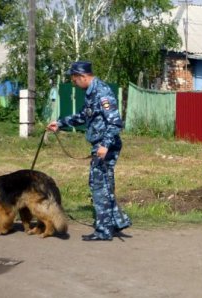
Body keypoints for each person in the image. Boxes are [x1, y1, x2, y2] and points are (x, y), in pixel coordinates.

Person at [47, 61, 132, 241]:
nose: (74, 84)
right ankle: (115, 222)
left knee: (99, 185)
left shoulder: (102, 93)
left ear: (83, 77)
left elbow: (115, 122)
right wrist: (61, 123)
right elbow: (83, 116)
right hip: (101, 145)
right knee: (103, 184)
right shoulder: (90, 93)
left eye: (75, 80)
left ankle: (104, 230)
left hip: (105, 146)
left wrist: (105, 145)